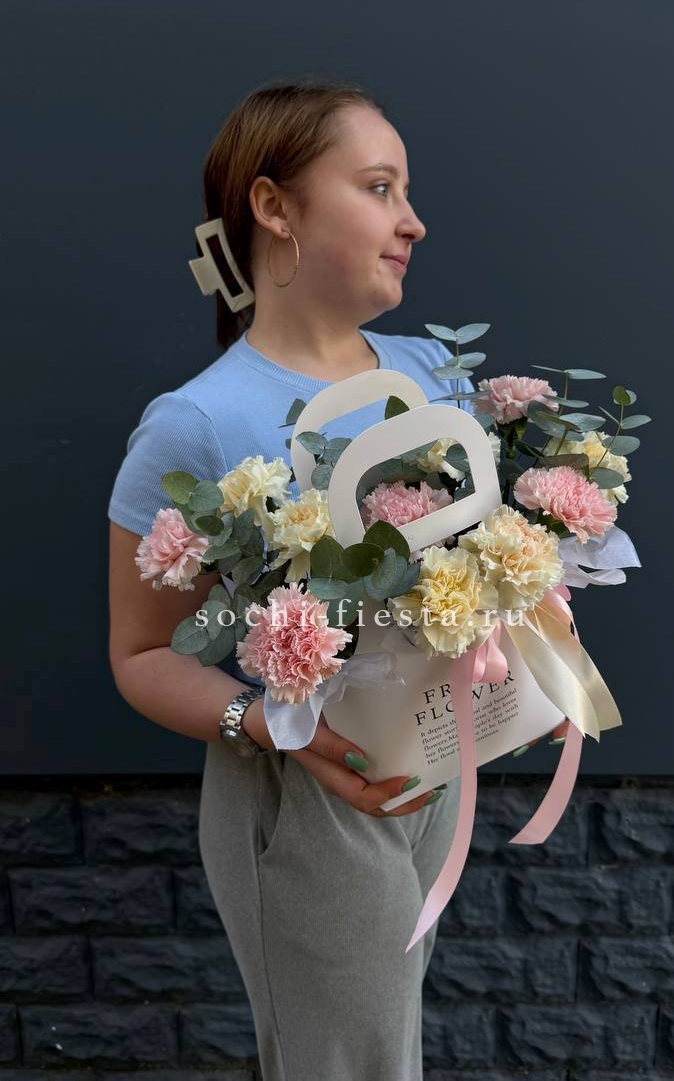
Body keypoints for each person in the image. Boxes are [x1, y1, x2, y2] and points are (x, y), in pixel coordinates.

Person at [106, 78, 528, 1081]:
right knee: (353, 1064)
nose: (413, 221)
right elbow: (142, 652)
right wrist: (266, 722)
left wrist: (522, 634)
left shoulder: (429, 375)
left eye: (406, 191)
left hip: (425, 768)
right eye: (379, 188)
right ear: (274, 206)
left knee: (378, 1052)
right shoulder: (197, 425)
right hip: (303, 789)